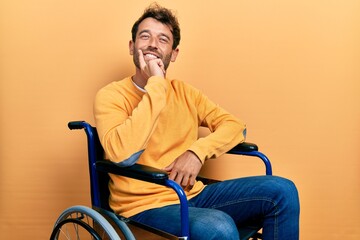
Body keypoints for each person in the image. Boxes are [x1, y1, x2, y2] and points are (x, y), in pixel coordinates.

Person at [94, 3, 300, 240]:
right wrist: (157, 84)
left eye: (163, 39)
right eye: (145, 36)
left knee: (283, 191)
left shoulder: (185, 93)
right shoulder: (111, 96)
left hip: (192, 194)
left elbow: (235, 127)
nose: (153, 44)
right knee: (218, 227)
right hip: (143, 204)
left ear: (174, 53)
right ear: (132, 47)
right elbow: (121, 154)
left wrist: (196, 152)